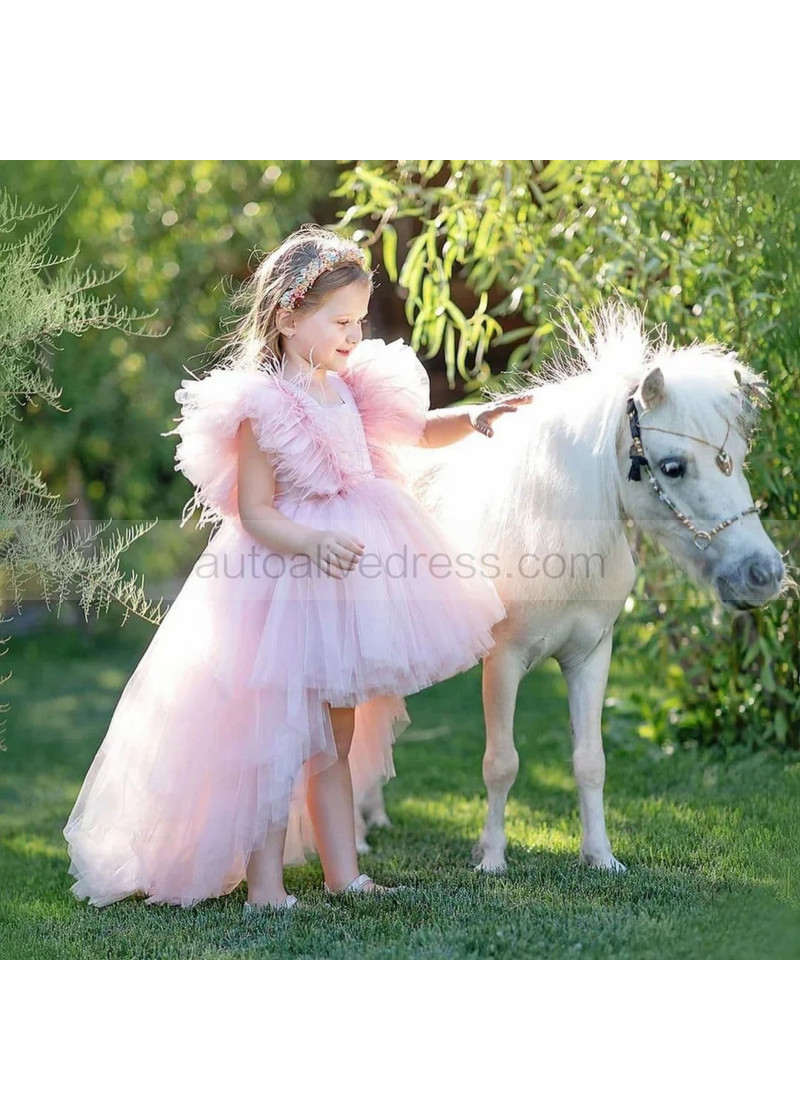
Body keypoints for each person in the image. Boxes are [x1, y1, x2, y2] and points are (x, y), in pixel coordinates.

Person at [62, 224, 533, 912]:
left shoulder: (352, 388)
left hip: (349, 582)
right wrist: (309, 543)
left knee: (335, 738)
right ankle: (265, 887)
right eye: (339, 321)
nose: (353, 333)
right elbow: (253, 510)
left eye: (359, 320)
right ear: (287, 316)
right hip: (279, 582)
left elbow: (418, 431)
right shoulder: (264, 406)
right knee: (276, 740)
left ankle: (346, 874)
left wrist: (475, 415)